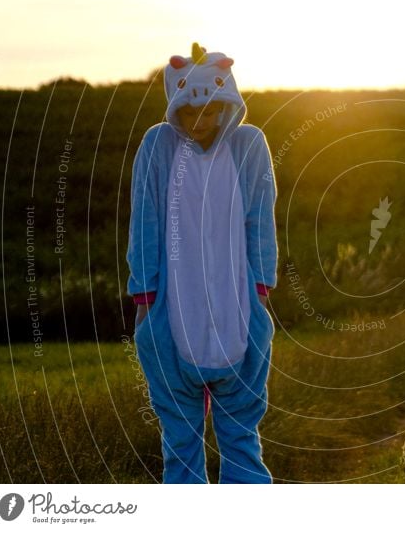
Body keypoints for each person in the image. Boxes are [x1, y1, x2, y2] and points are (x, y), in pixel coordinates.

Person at [126, 42, 278, 483]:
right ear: (175, 108)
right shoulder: (158, 145)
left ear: (227, 103)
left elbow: (259, 219)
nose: (199, 122)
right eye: (189, 113)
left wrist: (261, 289)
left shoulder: (249, 145)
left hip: (239, 308)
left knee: (241, 436)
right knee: (180, 438)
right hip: (172, 311)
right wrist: (145, 295)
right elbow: (145, 218)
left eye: (210, 110)